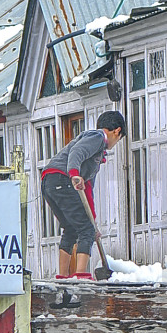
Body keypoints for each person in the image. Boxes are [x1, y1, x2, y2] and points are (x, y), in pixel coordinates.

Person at [41, 110, 126, 281]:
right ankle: (81, 276)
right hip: (62, 178)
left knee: (73, 228)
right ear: (117, 131)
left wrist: (93, 221)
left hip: (50, 182)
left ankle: (62, 276)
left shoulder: (97, 154)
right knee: (85, 229)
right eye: (119, 139)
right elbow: (77, 153)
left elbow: (87, 190)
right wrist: (73, 174)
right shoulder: (97, 137)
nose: (115, 143)